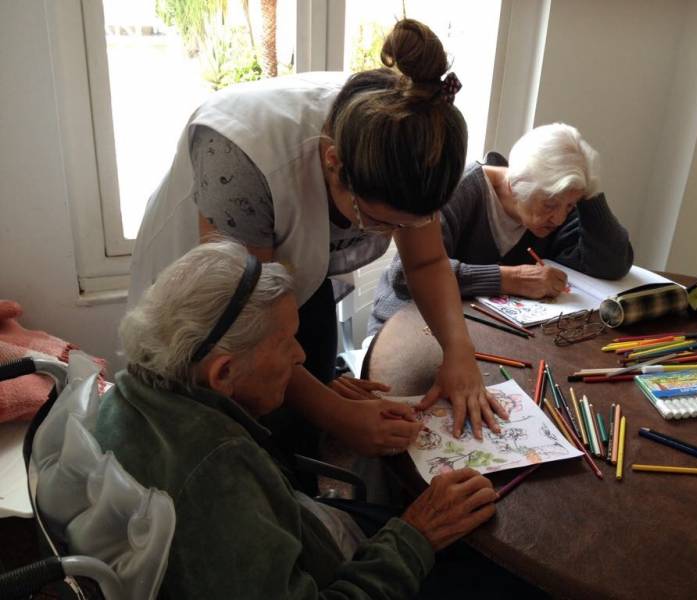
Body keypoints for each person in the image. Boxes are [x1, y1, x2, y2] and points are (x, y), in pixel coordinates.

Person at [127, 19, 505, 462]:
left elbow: (425, 263)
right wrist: (338, 416)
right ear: (333, 163)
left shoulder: (410, 129)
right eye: (380, 222)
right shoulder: (240, 159)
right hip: (213, 303)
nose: (394, 239)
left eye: (410, 225)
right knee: (244, 444)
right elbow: (247, 331)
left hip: (291, 275)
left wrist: (459, 355)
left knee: (310, 409)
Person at [94, 240, 502, 599]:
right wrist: (416, 536)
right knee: (494, 573)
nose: (301, 356)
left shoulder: (131, 392)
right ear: (224, 373)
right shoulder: (215, 478)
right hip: (336, 570)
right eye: (286, 343)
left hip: (309, 529)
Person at [369, 122, 634, 334]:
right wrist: (509, 278)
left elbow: (611, 264)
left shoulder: (553, 203)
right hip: (407, 324)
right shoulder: (459, 190)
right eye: (550, 205)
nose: (559, 218)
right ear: (515, 184)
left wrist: (589, 195)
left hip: (481, 331)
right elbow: (405, 276)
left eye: (569, 206)